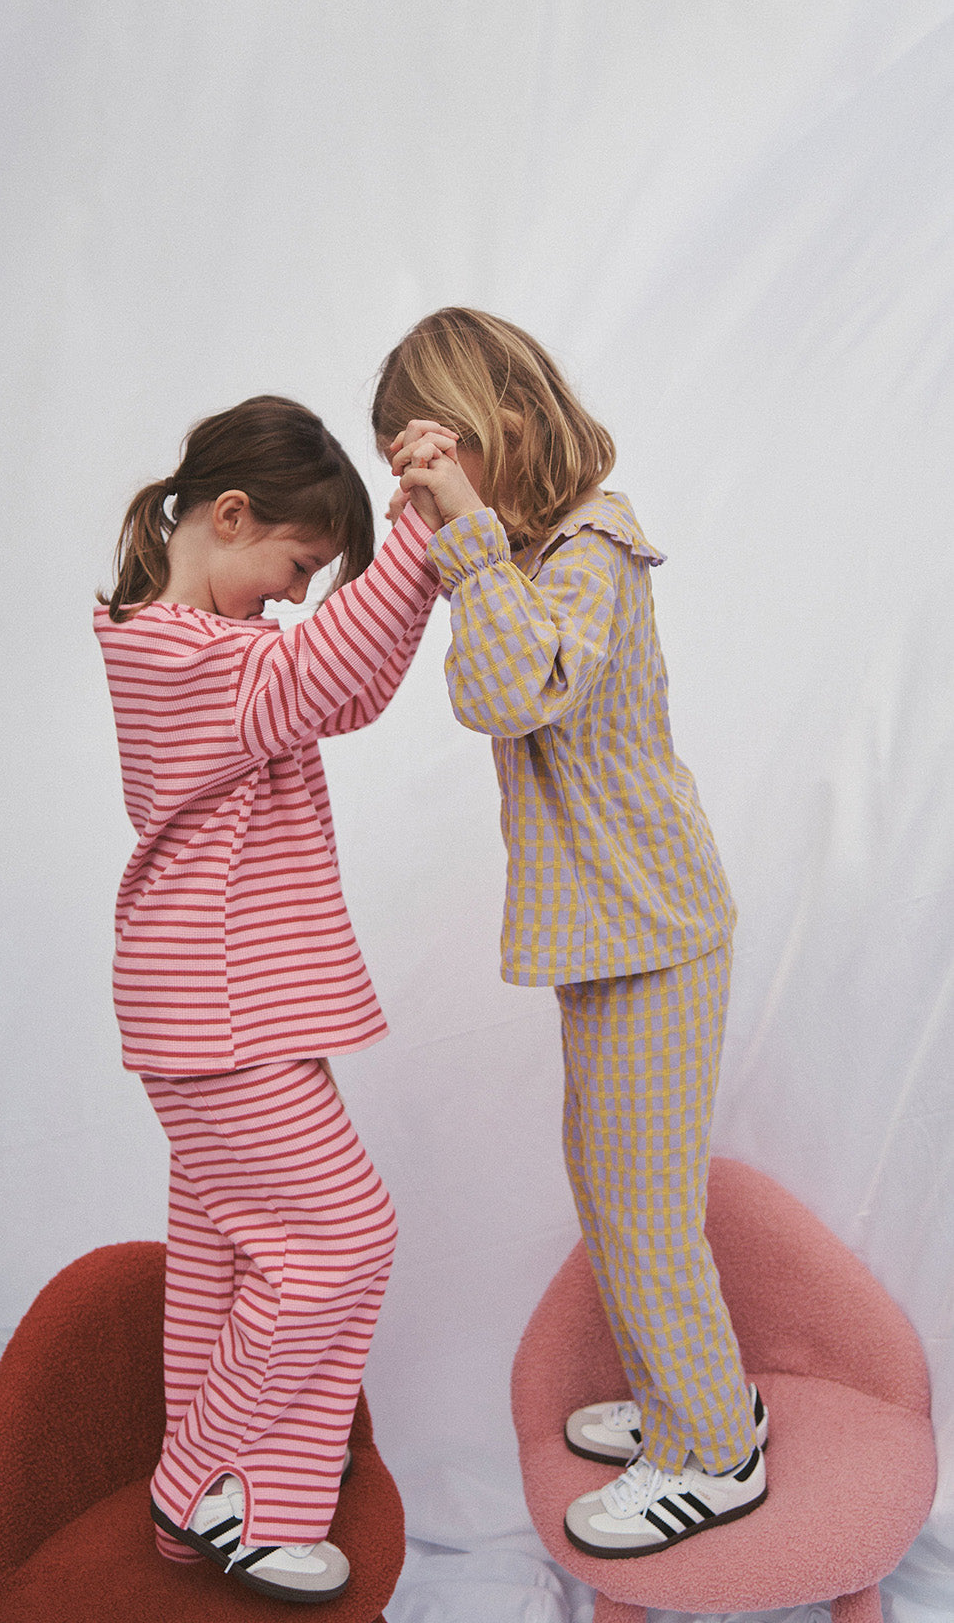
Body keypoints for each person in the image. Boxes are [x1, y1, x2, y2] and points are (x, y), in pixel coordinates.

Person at [371, 308, 768, 1560]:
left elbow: (514, 688)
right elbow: (486, 679)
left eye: (439, 460)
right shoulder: (519, 561)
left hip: (651, 929)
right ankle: (681, 1401)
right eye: (407, 468)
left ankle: (715, 1451)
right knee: (607, 1192)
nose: (428, 493)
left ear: (512, 428)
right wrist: (459, 546)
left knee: (647, 1211)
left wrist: (467, 550)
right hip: (606, 934)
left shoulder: (589, 545)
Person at [94, 395, 442, 1601]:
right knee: (344, 1240)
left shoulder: (229, 658)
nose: (294, 595)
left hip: (229, 1007)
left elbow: (346, 688)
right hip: (218, 1008)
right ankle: (193, 1481)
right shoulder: (174, 653)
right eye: (293, 566)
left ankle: (254, 1509)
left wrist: (414, 541)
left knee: (231, 1263)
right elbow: (323, 661)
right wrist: (424, 536)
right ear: (230, 516)